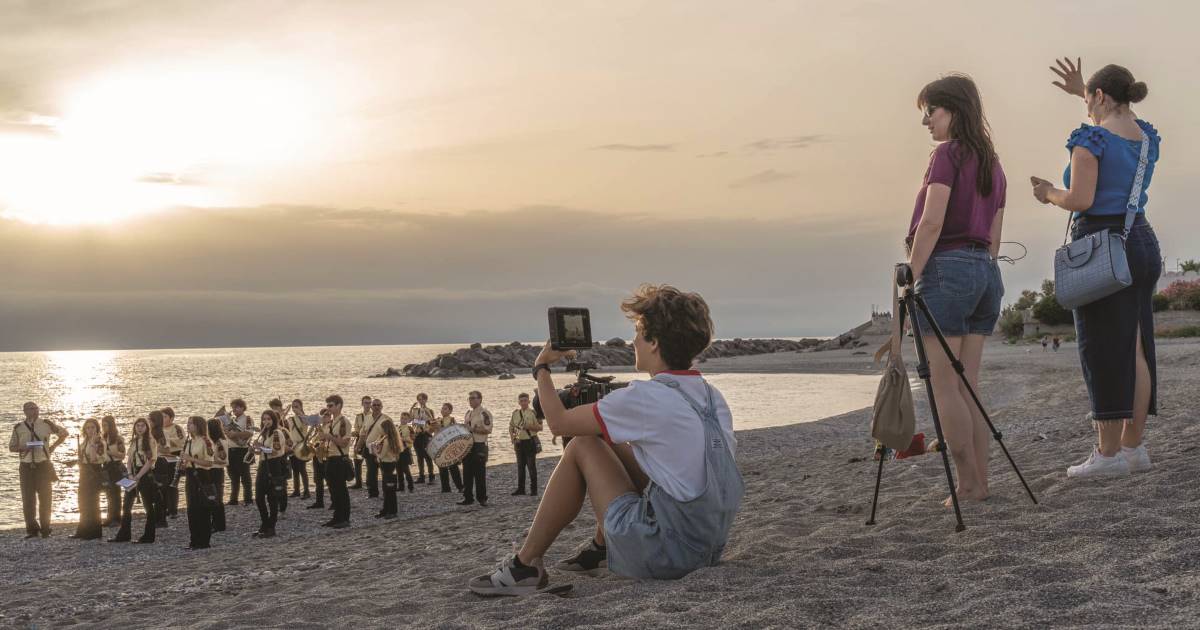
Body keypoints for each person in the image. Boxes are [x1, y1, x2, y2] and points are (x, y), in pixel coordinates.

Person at [468, 285, 743, 596]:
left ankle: (525, 565)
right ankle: (600, 548)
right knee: (604, 437)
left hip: (666, 556)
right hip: (705, 546)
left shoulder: (647, 396)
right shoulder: (711, 396)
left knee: (581, 445)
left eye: (638, 332)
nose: (632, 341)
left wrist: (541, 368)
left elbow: (558, 423)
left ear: (654, 342)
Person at [1032, 58, 1162, 478]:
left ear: (1100, 97)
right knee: (1136, 347)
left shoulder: (1088, 140)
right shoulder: (1146, 137)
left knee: (1104, 349)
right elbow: (1114, 119)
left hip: (1100, 247)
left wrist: (1049, 192)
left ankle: (1106, 456)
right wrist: (1082, 89)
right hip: (1141, 240)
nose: (1085, 108)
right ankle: (1133, 448)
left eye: (1089, 99)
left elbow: (1080, 199)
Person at [906, 74, 1007, 506]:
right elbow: (996, 238)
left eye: (934, 111)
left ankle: (967, 486)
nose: (927, 121)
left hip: (947, 270)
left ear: (956, 111)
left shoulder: (946, 155)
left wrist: (911, 274)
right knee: (970, 386)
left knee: (945, 386)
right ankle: (980, 481)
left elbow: (932, 221)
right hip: (985, 271)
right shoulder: (994, 165)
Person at [109, 417, 158, 544]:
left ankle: (149, 536)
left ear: (147, 428)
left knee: (148, 506)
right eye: (138, 426)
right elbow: (129, 459)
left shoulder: (150, 441)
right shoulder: (134, 441)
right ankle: (124, 534)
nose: (140, 428)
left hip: (145, 475)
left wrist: (138, 477)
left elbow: (150, 461)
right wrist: (130, 474)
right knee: (126, 506)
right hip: (133, 474)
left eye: (142, 425)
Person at [179, 416, 216, 550]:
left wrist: (190, 459)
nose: (188, 426)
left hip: (202, 475)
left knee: (202, 508)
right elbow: (188, 460)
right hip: (190, 475)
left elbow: (209, 463)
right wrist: (184, 464)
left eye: (191, 424)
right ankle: (194, 540)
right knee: (192, 509)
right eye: (188, 423)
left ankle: (204, 541)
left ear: (198, 426)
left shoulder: (205, 441)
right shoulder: (188, 441)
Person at [251, 410, 289, 538]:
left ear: (273, 420)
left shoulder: (277, 433)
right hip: (264, 465)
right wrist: (254, 450)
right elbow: (264, 451)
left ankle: (270, 527)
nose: (266, 422)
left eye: (268, 419)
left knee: (272, 498)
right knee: (259, 497)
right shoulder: (265, 434)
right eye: (264, 419)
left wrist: (260, 446)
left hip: (274, 466)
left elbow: (274, 451)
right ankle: (265, 523)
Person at [318, 395, 353, 528]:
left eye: (331, 405)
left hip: (339, 459)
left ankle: (344, 518)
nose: (328, 408)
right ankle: (337, 517)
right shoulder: (331, 423)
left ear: (339, 405)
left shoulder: (344, 422)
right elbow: (326, 439)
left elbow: (344, 443)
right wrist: (322, 438)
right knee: (333, 491)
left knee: (341, 490)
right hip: (330, 458)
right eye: (327, 405)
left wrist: (329, 437)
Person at [71, 418, 106, 540]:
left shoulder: (99, 442)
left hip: (94, 471)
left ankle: (94, 531)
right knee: (82, 501)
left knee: (92, 502)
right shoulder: (84, 441)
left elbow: (93, 459)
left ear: (97, 429)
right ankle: (82, 529)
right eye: (88, 427)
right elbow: (83, 458)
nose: (90, 430)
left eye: (92, 427)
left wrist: (92, 444)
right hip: (84, 472)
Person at [150, 409, 185, 527]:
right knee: (163, 486)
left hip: (173, 457)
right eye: (162, 417)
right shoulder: (156, 431)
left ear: (171, 418)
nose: (164, 419)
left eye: (165, 417)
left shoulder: (176, 428)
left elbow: (181, 441)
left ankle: (173, 509)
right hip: (162, 458)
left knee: (172, 484)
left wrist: (168, 441)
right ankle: (164, 510)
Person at [459, 391, 493, 507]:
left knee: (479, 474)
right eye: (469, 398)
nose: (471, 400)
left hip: (479, 445)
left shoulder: (484, 413)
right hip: (467, 446)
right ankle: (468, 497)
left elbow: (488, 430)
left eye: (473, 398)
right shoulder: (468, 413)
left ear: (480, 399)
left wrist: (473, 429)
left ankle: (482, 498)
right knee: (467, 473)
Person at [221, 399, 255, 506]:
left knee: (245, 476)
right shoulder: (232, 420)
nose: (233, 410)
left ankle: (248, 499)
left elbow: (249, 433)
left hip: (242, 450)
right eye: (233, 407)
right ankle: (233, 499)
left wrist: (234, 435)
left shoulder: (248, 419)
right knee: (233, 476)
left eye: (236, 407)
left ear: (242, 407)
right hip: (231, 450)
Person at [509, 393, 542, 496]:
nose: (523, 402)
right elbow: (511, 427)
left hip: (529, 442)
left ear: (529, 401)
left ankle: (534, 490)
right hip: (519, 443)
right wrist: (513, 438)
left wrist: (529, 426)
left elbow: (540, 428)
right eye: (521, 401)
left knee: (531, 467)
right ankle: (521, 489)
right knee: (520, 467)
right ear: (519, 402)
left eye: (525, 400)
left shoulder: (533, 413)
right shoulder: (515, 413)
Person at [356, 398, 388, 498]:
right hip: (369, 449)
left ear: (382, 407)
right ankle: (373, 493)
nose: (376, 407)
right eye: (374, 405)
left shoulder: (386, 418)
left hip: (382, 449)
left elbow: (390, 435)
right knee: (371, 473)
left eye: (378, 405)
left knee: (385, 472)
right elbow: (363, 433)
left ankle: (387, 493)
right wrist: (358, 446)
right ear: (371, 406)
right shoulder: (368, 418)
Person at [372, 418, 403, 519]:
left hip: (386, 465)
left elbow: (381, 455)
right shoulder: (391, 438)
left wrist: (374, 451)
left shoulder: (387, 440)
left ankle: (392, 511)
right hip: (391, 464)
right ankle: (386, 510)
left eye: (381, 429)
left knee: (389, 490)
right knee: (388, 489)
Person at [100, 415, 126, 527]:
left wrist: (110, 453)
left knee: (115, 493)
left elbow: (122, 455)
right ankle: (109, 517)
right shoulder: (102, 438)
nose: (103, 427)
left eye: (105, 425)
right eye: (102, 425)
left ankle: (116, 518)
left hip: (115, 466)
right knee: (109, 493)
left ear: (111, 425)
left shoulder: (118, 439)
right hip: (106, 467)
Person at [285, 399, 312, 500]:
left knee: (302, 469)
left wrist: (300, 413)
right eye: (293, 407)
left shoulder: (303, 418)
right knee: (295, 469)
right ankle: (296, 490)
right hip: (293, 446)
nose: (294, 408)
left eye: (296, 406)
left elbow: (309, 423)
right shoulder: (291, 419)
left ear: (301, 406)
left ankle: (306, 491)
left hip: (301, 445)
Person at [206, 418, 230, 533]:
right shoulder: (209, 442)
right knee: (210, 498)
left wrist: (210, 461)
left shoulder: (221, 442)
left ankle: (220, 524)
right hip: (209, 471)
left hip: (217, 472)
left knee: (217, 498)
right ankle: (213, 522)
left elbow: (224, 461)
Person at [435, 403, 464, 493]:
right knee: (442, 467)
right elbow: (434, 432)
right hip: (441, 446)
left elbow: (455, 431)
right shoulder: (438, 420)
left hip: (450, 446)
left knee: (453, 467)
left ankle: (460, 487)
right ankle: (445, 488)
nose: (443, 410)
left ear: (450, 411)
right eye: (442, 408)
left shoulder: (452, 420)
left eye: (445, 409)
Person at [411, 393, 436, 483]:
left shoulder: (429, 410)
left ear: (426, 400)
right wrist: (411, 408)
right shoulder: (415, 410)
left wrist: (425, 423)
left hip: (425, 434)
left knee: (427, 456)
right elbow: (410, 420)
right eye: (419, 399)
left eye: (422, 399)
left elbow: (432, 422)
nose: (420, 401)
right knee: (419, 457)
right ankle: (421, 476)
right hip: (417, 435)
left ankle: (431, 476)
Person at [351, 395, 372, 489]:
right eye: (366, 403)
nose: (367, 405)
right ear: (362, 404)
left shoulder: (374, 416)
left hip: (370, 441)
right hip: (360, 440)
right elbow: (357, 428)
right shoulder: (359, 416)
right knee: (357, 461)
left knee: (370, 463)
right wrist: (354, 433)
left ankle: (369, 483)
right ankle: (358, 483)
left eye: (369, 403)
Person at [397, 412, 416, 492]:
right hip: (397, 451)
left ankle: (410, 486)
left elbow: (412, 439)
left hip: (405, 450)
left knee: (406, 469)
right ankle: (401, 486)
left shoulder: (410, 428)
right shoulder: (397, 428)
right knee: (398, 470)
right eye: (402, 418)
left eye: (405, 419)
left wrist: (403, 439)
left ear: (408, 420)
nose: (403, 420)